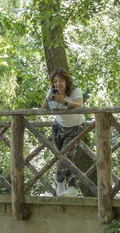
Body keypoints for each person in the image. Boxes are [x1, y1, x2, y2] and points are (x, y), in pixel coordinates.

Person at [41, 68, 84, 197]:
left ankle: (59, 183)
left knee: (64, 156)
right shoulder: (52, 91)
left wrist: (63, 101)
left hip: (75, 126)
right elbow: (43, 107)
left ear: (66, 81)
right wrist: (50, 100)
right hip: (59, 126)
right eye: (55, 81)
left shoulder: (75, 90)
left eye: (61, 81)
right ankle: (72, 187)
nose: (58, 84)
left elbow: (79, 104)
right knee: (64, 157)